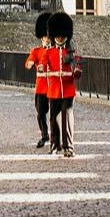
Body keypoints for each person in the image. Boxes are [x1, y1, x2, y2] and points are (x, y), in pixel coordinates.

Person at [44, 11, 83, 157]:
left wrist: (77, 71)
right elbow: (43, 63)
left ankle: (69, 146)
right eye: (58, 35)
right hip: (54, 89)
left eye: (62, 35)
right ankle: (55, 144)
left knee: (67, 116)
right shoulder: (49, 52)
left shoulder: (71, 52)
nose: (60, 37)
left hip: (67, 89)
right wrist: (42, 68)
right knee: (54, 118)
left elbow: (77, 66)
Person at [23, 11, 52, 148]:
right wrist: (30, 64)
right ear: (41, 37)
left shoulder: (54, 51)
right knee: (40, 113)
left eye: (48, 36)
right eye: (44, 36)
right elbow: (30, 60)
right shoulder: (36, 51)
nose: (46, 38)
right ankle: (44, 135)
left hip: (53, 86)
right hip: (41, 87)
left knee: (54, 115)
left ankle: (56, 137)